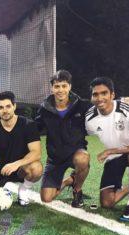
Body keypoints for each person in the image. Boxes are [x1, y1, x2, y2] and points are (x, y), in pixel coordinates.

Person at [85, 77, 129, 221]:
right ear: (92, 97)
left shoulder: (128, 107)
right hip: (114, 157)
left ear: (112, 95)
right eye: (95, 94)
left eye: (104, 93)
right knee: (107, 203)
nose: (100, 98)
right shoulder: (90, 118)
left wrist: (111, 151)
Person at [0, 91, 43, 207]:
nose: (5, 110)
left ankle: (23, 189)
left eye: (8, 106)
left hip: (21, 168)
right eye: (1, 107)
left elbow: (36, 153)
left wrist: (16, 164)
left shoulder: (28, 125)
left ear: (14, 106)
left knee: (36, 168)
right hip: (0, 169)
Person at [35, 70, 91, 208]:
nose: (60, 90)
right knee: (46, 198)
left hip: (75, 153)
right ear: (52, 88)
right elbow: (33, 126)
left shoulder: (81, 105)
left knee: (82, 159)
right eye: (57, 86)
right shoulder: (45, 109)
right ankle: (70, 180)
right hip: (55, 158)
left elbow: (102, 106)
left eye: (64, 86)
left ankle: (77, 190)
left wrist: (121, 101)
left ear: (70, 87)